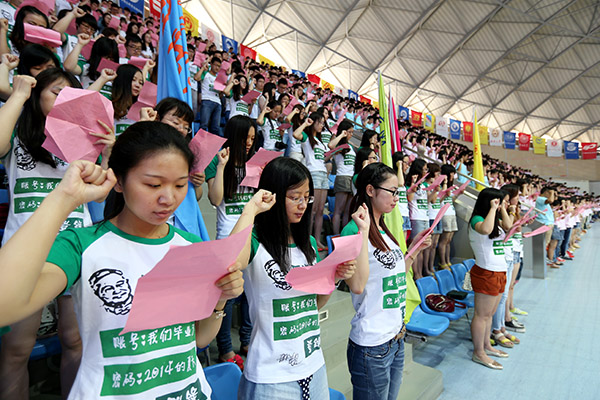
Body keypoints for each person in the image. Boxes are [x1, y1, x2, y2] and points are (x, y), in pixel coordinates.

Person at [0, 122, 246, 399]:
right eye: (153, 184)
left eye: (180, 185)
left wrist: (221, 299)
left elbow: (199, 338)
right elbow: (5, 305)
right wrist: (63, 198)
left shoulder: (192, 246)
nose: (168, 198)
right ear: (118, 181)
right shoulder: (81, 246)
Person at [0, 70, 114, 399]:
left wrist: (107, 153)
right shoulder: (18, 133)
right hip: (26, 254)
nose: (64, 100)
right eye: (56, 92)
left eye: (71, 95)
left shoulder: (82, 143)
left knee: (75, 341)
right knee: (16, 350)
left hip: (74, 249)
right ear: (38, 96)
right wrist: (18, 94)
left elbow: (101, 195)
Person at [230, 157, 362, 399]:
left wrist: (333, 279)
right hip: (271, 375)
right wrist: (251, 209)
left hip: (313, 365)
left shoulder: (308, 245)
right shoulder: (256, 241)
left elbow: (313, 305)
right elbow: (231, 263)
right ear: (273, 195)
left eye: (307, 197)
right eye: (294, 197)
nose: (302, 205)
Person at [342, 162, 431, 400]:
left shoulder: (383, 230)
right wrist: (362, 232)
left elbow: (398, 273)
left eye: (398, 192)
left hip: (395, 336)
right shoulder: (354, 230)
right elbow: (357, 285)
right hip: (372, 344)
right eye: (392, 191)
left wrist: (414, 248)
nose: (396, 198)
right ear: (370, 190)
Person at [205, 115, 257, 368]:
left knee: (249, 294)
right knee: (228, 295)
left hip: (252, 236)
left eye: (253, 138)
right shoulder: (218, 160)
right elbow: (215, 199)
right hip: (228, 236)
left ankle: (246, 340)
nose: (249, 142)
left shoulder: (255, 164)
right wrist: (222, 167)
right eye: (245, 137)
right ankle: (225, 348)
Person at [469, 188, 513, 370]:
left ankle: (487, 345)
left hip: (500, 271)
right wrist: (494, 208)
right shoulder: (477, 219)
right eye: (498, 202)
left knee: (490, 314)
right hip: (486, 272)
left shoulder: (495, 219)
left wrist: (503, 209)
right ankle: (478, 352)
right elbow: (485, 229)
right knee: (482, 315)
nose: (501, 205)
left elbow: (509, 226)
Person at [292, 112, 331, 249]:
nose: (321, 125)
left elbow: (322, 158)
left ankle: (317, 241)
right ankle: (306, 239)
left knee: (320, 210)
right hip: (313, 173)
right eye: (319, 122)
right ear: (313, 122)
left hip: (323, 174)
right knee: (312, 210)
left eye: (323, 123)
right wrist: (305, 123)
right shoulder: (307, 138)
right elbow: (295, 134)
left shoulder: (320, 142)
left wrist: (332, 154)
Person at [327, 119, 356, 234]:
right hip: (342, 177)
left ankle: (344, 234)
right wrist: (341, 135)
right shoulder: (339, 145)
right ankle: (336, 234)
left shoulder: (350, 146)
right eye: (349, 132)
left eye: (352, 132)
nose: (351, 134)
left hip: (351, 178)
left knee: (347, 211)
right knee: (338, 210)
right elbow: (330, 145)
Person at [405, 159, 429, 279]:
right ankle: (415, 275)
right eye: (424, 169)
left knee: (422, 249)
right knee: (415, 248)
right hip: (416, 218)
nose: (426, 171)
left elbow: (430, 200)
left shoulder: (424, 185)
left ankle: (420, 273)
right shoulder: (409, 182)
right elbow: (410, 198)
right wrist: (413, 184)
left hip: (425, 217)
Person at [438, 164, 459, 269]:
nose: (453, 176)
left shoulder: (451, 186)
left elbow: (450, 200)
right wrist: (445, 190)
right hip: (444, 214)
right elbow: (438, 200)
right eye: (452, 173)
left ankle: (447, 260)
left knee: (449, 240)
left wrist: (458, 194)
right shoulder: (440, 186)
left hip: (452, 212)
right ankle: (442, 262)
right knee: (444, 240)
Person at [198, 56, 223, 136]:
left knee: (215, 127)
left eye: (219, 66)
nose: (217, 68)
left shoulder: (219, 79)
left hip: (218, 103)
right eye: (215, 65)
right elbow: (196, 78)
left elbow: (220, 95)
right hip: (207, 100)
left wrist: (221, 91)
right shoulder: (206, 73)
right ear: (211, 64)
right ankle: (199, 142)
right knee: (204, 125)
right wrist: (203, 68)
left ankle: (211, 143)